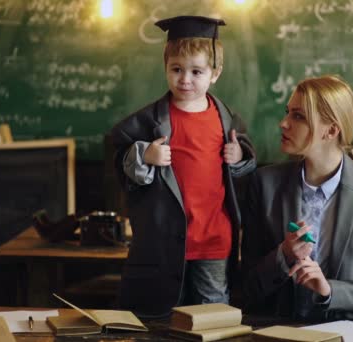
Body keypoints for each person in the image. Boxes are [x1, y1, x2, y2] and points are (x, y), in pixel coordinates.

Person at [110, 15, 256, 318]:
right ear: (165, 67)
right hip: (162, 242)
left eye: (196, 71)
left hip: (214, 240)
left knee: (212, 319)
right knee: (160, 318)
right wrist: (145, 155)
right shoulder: (148, 122)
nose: (185, 79)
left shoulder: (226, 119)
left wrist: (239, 154)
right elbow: (121, 158)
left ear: (215, 73)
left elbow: (246, 167)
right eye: (176, 69)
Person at [240, 75, 353, 321]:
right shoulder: (264, 184)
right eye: (287, 112)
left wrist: (329, 291)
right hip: (281, 332)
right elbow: (246, 287)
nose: (283, 123)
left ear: (331, 130)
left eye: (298, 116)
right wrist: (283, 255)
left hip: (349, 333)